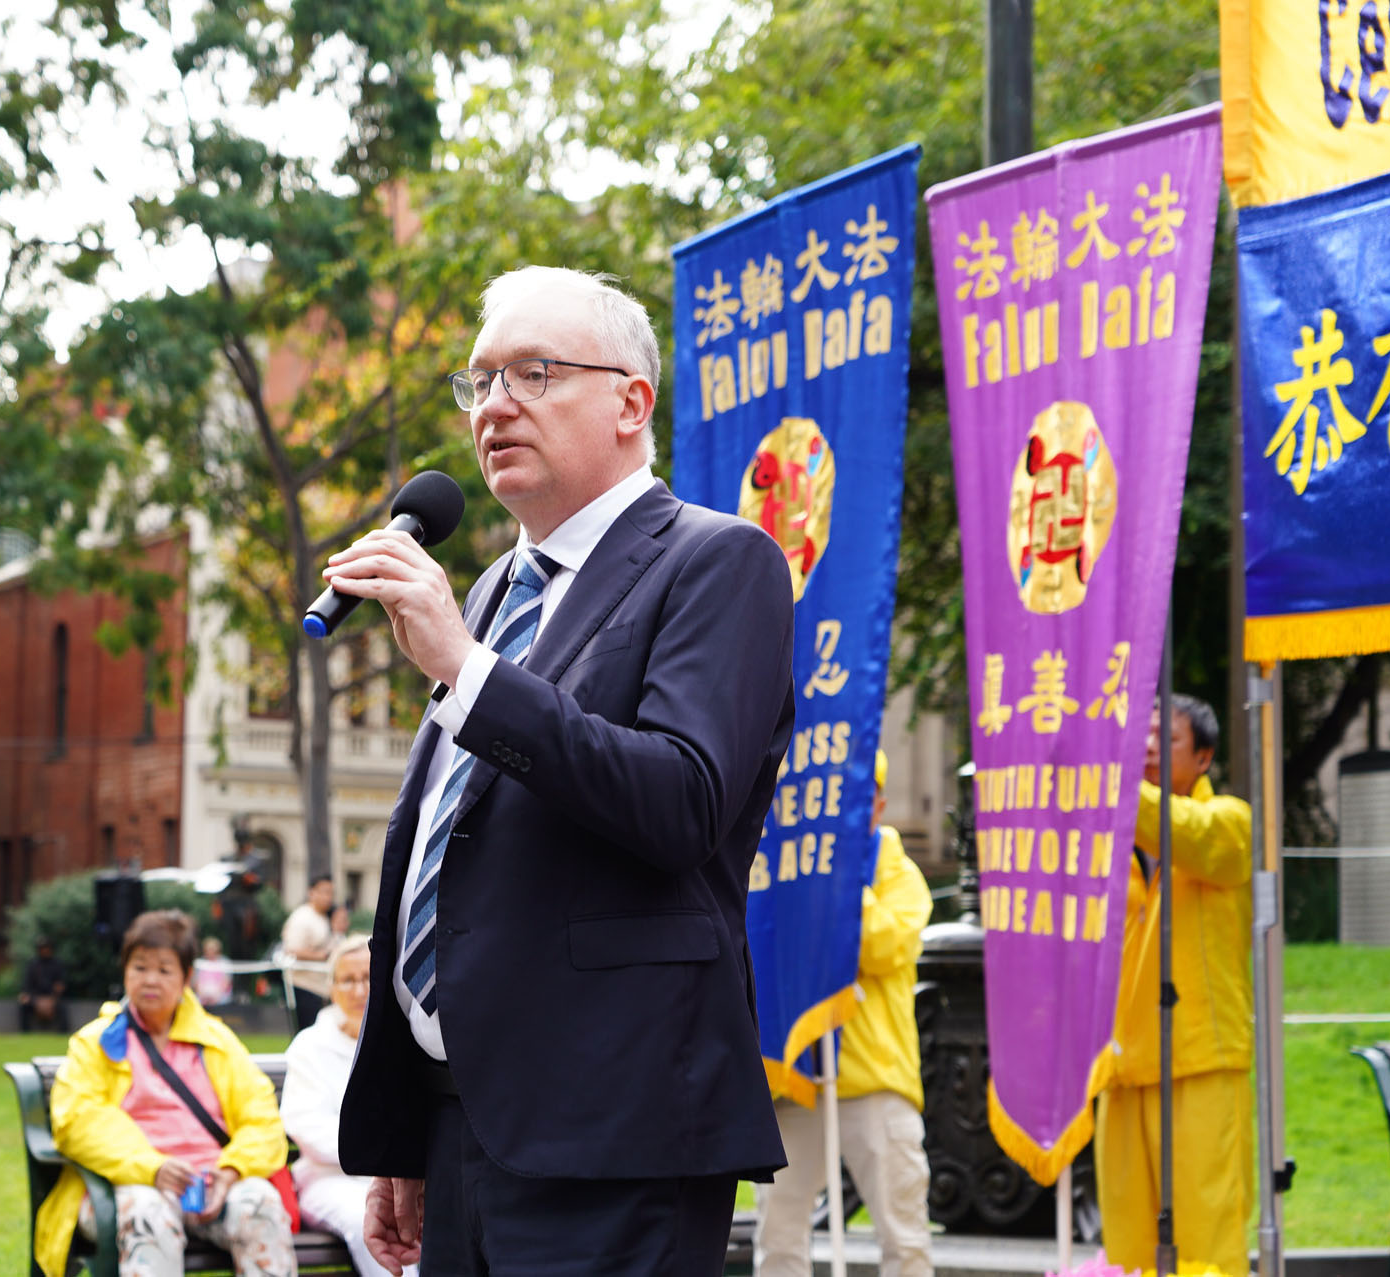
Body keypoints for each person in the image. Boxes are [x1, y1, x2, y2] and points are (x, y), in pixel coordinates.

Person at [323, 266, 795, 1276]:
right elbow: (448, 855)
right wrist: (409, 1115)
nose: (494, 406)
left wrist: (466, 670)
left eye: (534, 372)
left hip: (615, 1127)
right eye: (481, 380)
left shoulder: (720, 561)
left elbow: (681, 800)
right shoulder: (494, 590)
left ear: (632, 402)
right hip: (461, 1126)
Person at [35, 909, 296, 1277]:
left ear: (186, 977)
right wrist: (152, 1167)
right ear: (125, 971)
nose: (150, 980)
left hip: (212, 1184)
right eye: (139, 967)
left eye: (164, 969)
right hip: (128, 1185)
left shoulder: (217, 1041)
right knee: (149, 1214)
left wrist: (231, 1170)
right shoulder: (95, 1042)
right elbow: (77, 1122)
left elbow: (262, 1119)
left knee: (261, 1204)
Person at [753, 751, 933, 1277]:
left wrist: (832, 882)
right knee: (778, 1239)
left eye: (855, 796)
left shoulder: (897, 869)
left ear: (877, 805)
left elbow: (883, 945)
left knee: (904, 1238)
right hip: (794, 1075)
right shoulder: (778, 866)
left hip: (875, 1081)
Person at [1096, 695, 1253, 1275]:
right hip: (1120, 1065)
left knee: (1207, 1236)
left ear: (1204, 757)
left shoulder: (1231, 824)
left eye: (1166, 737)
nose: (1147, 747)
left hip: (1200, 1060)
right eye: (1139, 734)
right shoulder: (1107, 842)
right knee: (1127, 1248)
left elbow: (1185, 831)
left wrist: (1103, 776)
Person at [281, 936, 416, 1277]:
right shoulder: (310, 1047)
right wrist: (379, 1154)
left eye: (368, 977)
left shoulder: (403, 1038)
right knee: (365, 1217)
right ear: (332, 988)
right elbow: (307, 1125)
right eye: (347, 980)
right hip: (330, 1180)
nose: (358, 990)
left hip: (404, 1177)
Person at [282, 875, 335, 1030]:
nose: (328, 897)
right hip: (302, 987)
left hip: (320, 988)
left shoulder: (323, 917)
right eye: (324, 892)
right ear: (311, 892)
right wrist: (325, 955)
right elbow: (291, 950)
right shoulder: (302, 917)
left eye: (331, 893)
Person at [21, 936, 70, 1033]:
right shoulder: (33, 964)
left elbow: (61, 985)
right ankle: (25, 1032)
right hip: (35, 998)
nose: (45, 950)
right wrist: (33, 999)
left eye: (47, 948)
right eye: (42, 948)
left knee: (62, 1007)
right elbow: (26, 985)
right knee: (23, 1005)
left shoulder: (57, 964)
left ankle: (63, 1033)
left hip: (52, 997)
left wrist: (51, 999)